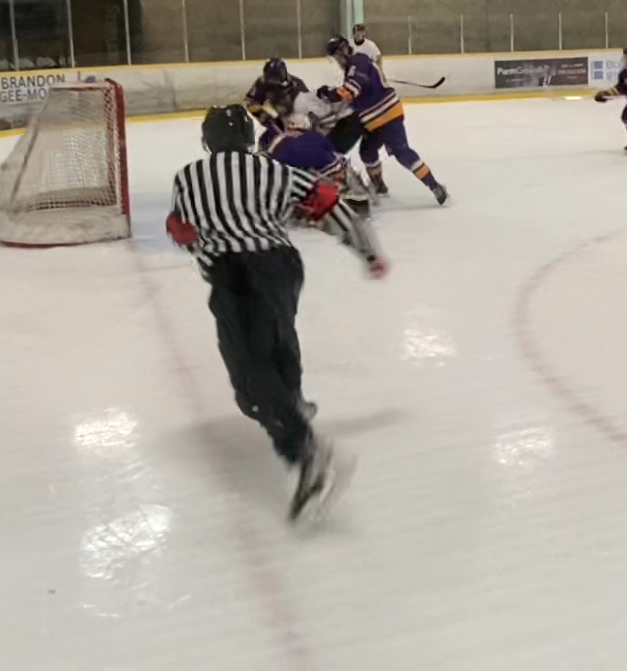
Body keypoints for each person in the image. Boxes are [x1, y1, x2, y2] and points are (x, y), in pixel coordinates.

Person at [165, 104, 385, 523]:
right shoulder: (274, 171)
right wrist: (367, 252)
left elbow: (183, 230)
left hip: (235, 274)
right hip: (282, 266)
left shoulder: (188, 176)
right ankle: (294, 401)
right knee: (276, 338)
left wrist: (201, 248)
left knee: (249, 376)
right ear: (249, 140)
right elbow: (329, 204)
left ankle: (307, 452)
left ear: (207, 142)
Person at [322, 35, 448, 205]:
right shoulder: (356, 65)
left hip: (386, 115)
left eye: (337, 56)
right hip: (376, 120)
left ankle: (434, 186)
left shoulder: (357, 62)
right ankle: (379, 186)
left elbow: (351, 90)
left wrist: (329, 94)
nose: (336, 60)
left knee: (401, 151)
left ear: (344, 50)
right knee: (367, 151)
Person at [245, 57, 308, 138]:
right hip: (270, 116)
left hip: (292, 117)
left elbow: (306, 108)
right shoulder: (261, 82)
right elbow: (249, 104)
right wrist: (262, 109)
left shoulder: (296, 84)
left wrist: (281, 111)